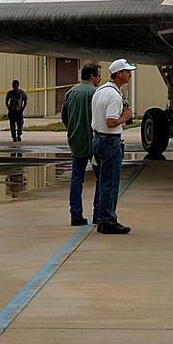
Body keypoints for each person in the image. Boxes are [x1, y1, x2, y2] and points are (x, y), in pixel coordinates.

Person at [90, 58, 135, 234]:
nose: (130, 75)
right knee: (110, 183)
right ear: (118, 74)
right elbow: (110, 122)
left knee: (103, 182)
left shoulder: (100, 91)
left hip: (97, 140)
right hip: (109, 141)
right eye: (127, 71)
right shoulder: (114, 96)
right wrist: (124, 117)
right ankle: (108, 220)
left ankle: (102, 218)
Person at [61, 63, 101, 226]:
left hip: (76, 142)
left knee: (76, 180)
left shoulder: (71, 93)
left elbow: (65, 116)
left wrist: (73, 130)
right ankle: (98, 213)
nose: (99, 79)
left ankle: (76, 214)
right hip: (94, 142)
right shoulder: (96, 93)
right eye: (98, 76)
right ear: (92, 76)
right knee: (101, 179)